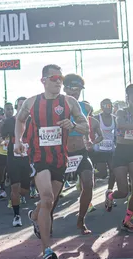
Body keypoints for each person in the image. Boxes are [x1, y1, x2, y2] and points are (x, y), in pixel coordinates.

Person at [15, 64, 89, 259]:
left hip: (60, 158)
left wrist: (73, 124)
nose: (58, 81)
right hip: (38, 157)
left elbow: (85, 127)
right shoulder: (31, 102)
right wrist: (17, 141)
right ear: (43, 80)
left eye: (60, 78)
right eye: (54, 78)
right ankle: (47, 250)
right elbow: (20, 120)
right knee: (47, 198)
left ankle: (34, 216)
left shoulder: (70, 102)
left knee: (48, 202)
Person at [63, 74, 94, 234]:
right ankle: (45, 219)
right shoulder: (57, 105)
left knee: (88, 184)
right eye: (73, 89)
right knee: (54, 193)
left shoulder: (86, 107)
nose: (76, 93)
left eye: (79, 90)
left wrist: (88, 139)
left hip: (81, 152)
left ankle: (81, 220)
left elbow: (85, 126)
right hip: (63, 153)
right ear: (65, 88)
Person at [105, 84, 133, 232]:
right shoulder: (122, 111)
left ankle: (127, 220)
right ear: (127, 97)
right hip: (121, 152)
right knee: (123, 192)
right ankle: (110, 196)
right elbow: (121, 124)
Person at [1, 97, 32, 226]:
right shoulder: (9, 122)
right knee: (15, 187)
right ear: (16, 107)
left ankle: (18, 197)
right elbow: (2, 138)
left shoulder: (33, 121)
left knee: (24, 190)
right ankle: (16, 215)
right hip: (13, 158)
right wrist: (4, 142)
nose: (23, 107)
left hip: (28, 158)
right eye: (20, 105)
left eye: (26, 105)